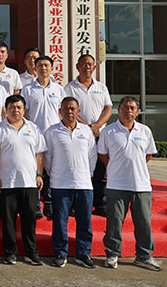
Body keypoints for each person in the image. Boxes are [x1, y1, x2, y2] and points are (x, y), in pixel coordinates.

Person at [98, 96, 162, 271]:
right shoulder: (108, 131)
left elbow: (148, 154)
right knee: (114, 222)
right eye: (125, 107)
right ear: (119, 110)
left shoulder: (145, 131)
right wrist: (116, 167)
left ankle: (144, 256)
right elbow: (102, 154)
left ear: (137, 111)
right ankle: (112, 254)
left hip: (141, 185)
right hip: (116, 185)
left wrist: (134, 167)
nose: (129, 110)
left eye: (132, 108)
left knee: (143, 222)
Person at [0, 95, 45, 266]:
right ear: (6, 110)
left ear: (24, 109)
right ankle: (10, 253)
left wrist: (39, 174)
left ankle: (31, 252)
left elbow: (39, 154)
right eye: (12, 107)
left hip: (29, 182)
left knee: (29, 220)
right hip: (7, 182)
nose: (16, 110)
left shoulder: (33, 128)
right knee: (8, 221)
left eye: (19, 107)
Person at [44, 97, 97, 269]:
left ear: (78, 111)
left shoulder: (86, 131)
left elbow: (92, 156)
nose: (69, 112)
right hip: (60, 184)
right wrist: (54, 174)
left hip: (84, 185)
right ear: (60, 111)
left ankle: (83, 253)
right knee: (60, 222)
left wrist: (87, 174)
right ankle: (61, 253)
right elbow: (47, 158)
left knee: (85, 222)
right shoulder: (52, 131)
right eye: (66, 108)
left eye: (73, 108)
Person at [64, 54, 113, 216]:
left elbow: (108, 108)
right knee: (78, 168)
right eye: (83, 64)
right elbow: (68, 110)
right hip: (78, 134)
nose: (87, 67)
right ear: (77, 66)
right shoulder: (70, 88)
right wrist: (86, 127)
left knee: (101, 170)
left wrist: (97, 126)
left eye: (90, 64)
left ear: (94, 68)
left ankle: (100, 204)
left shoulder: (101, 87)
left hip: (100, 134)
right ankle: (75, 204)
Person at [22, 55, 65, 218]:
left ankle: (49, 203)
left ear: (52, 68)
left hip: (54, 134)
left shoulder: (58, 89)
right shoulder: (28, 89)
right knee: (35, 169)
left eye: (46, 65)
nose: (43, 68)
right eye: (40, 65)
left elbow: (62, 112)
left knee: (53, 169)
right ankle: (36, 204)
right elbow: (24, 112)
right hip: (34, 134)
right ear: (35, 68)